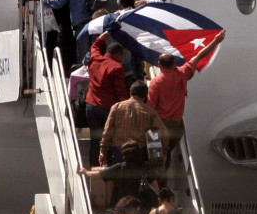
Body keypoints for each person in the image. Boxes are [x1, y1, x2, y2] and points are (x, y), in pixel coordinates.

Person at [147, 30, 226, 160]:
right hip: (176, 126)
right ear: (174, 64)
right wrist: (216, 41)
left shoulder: (155, 83)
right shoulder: (182, 73)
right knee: (166, 154)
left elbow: (150, 107)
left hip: (160, 125)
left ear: (159, 65)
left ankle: (158, 176)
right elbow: (200, 55)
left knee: (155, 156)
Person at [41, 0, 116, 63]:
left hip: (79, 22)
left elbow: (57, 3)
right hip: (96, 19)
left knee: (83, 52)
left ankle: (84, 74)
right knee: (98, 49)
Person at [84, 30, 129, 166]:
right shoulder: (117, 68)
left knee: (95, 139)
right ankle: (107, 166)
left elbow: (95, 45)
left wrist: (107, 32)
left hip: (91, 105)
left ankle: (93, 166)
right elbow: (120, 92)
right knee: (108, 139)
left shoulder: (95, 58)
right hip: (107, 109)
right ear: (118, 54)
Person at [99, 80, 167, 166]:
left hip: (119, 152)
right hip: (139, 153)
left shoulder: (116, 107)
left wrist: (102, 151)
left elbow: (107, 131)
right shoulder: (150, 112)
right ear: (146, 95)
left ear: (130, 92)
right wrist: (163, 154)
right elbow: (163, 133)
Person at [79, 140, 159, 211]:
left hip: (124, 206)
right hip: (142, 207)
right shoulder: (146, 167)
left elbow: (99, 174)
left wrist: (86, 172)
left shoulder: (119, 168)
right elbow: (155, 185)